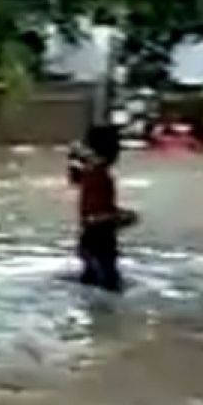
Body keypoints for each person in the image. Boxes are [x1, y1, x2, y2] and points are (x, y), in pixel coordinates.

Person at [70, 125, 129, 292]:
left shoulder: (90, 171)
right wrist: (123, 217)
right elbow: (95, 217)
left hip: (89, 241)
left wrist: (75, 156)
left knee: (92, 285)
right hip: (100, 241)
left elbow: (75, 179)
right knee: (108, 288)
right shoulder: (101, 176)